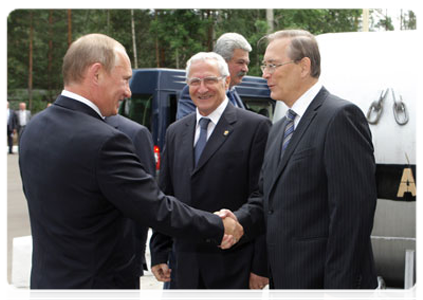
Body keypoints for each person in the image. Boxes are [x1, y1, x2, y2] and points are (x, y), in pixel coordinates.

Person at [18, 33, 243, 300]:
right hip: (97, 289)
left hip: (49, 287)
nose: (128, 91)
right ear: (96, 73)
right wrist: (218, 225)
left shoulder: (33, 129)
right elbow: (156, 207)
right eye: (124, 79)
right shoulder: (104, 140)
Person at [220, 29, 378, 300]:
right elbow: (265, 199)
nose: (265, 73)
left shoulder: (340, 117)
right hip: (287, 284)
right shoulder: (280, 127)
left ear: (304, 66)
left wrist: (338, 290)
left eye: (272, 65)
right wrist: (238, 221)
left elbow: (352, 213)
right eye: (263, 66)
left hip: (324, 288)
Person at [150, 52, 271, 300]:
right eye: (194, 82)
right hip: (184, 272)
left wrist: (261, 265)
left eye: (209, 80)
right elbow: (166, 195)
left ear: (226, 82)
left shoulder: (255, 128)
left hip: (235, 272)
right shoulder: (175, 132)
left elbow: (263, 198)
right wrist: (160, 251)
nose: (201, 88)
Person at [105, 114, 155, 299]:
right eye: (124, 82)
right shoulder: (42, 128)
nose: (127, 92)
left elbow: (146, 201)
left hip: (119, 268)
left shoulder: (134, 133)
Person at [176, 33, 251, 120]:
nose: (245, 69)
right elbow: (191, 129)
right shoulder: (196, 93)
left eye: (247, 64)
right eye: (240, 62)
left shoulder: (232, 92)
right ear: (223, 62)